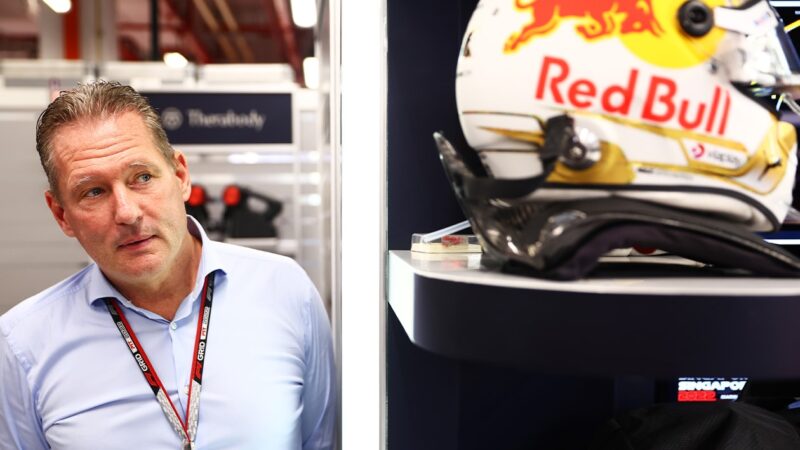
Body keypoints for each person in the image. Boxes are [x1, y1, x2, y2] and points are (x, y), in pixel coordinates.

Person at [0, 80, 336, 449]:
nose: (127, 213)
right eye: (93, 191)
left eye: (142, 177)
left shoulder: (285, 291)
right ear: (61, 214)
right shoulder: (22, 345)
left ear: (180, 176)